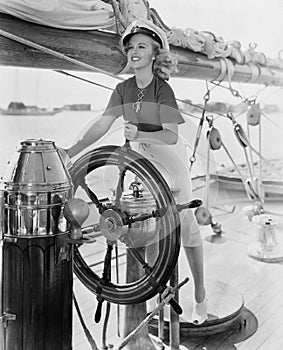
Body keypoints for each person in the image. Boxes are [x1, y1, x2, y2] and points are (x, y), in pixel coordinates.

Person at [66, 18, 207, 325]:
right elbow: (102, 125)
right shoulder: (122, 89)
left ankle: (200, 295)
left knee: (185, 229)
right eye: (130, 47)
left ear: (155, 53)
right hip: (142, 164)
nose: (133, 51)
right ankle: (156, 296)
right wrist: (71, 151)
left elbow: (170, 135)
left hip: (171, 161)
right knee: (152, 228)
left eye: (141, 46)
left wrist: (140, 134)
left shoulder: (162, 90)